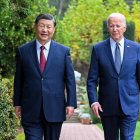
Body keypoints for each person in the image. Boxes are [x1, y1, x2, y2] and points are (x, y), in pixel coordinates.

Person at [13, 13, 77, 140]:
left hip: (55, 108)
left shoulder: (63, 51)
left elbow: (70, 80)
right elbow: (19, 80)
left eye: (48, 27)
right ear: (35, 27)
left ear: (53, 29)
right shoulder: (23, 51)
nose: (45, 30)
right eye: (41, 26)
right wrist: (17, 103)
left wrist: (71, 103)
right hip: (30, 108)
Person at [87, 13, 140, 140]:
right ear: (108, 28)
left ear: (124, 28)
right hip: (107, 105)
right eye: (111, 26)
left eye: (118, 25)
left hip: (130, 104)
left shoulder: (136, 48)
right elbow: (92, 80)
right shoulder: (98, 49)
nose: (114, 29)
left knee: (127, 137)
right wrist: (94, 101)